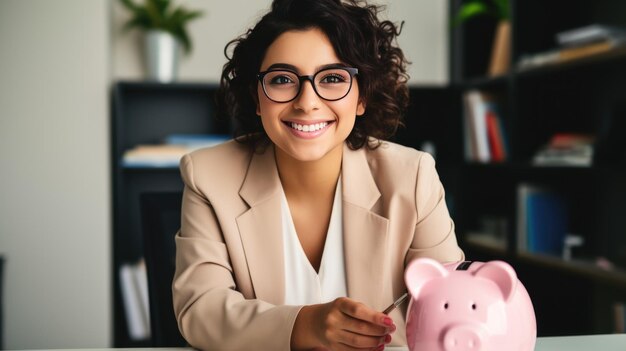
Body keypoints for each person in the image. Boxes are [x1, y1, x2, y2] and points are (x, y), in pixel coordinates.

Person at [172, 0, 464, 350]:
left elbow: (451, 307)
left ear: (362, 97)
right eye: (282, 79)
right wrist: (303, 325)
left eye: (332, 78)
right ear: (256, 97)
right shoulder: (208, 175)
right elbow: (199, 310)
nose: (307, 102)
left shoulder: (413, 176)